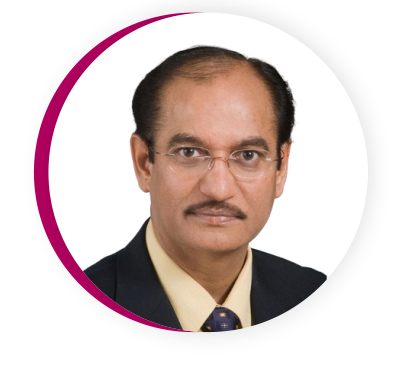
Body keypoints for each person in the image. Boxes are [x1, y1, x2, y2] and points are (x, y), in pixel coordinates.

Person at [84, 46, 326, 332]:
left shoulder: (315, 295)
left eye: (248, 155)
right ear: (144, 163)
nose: (219, 189)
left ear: (280, 170)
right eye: (189, 152)